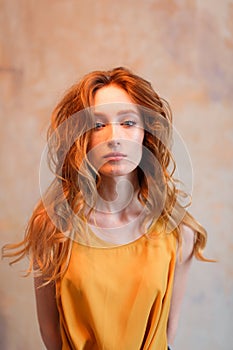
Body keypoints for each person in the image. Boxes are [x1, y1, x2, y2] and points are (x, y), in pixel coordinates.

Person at [3, 67, 211, 350]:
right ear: (82, 139)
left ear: (145, 134)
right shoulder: (53, 225)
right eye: (98, 125)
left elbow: (168, 330)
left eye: (128, 122)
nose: (114, 137)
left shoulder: (180, 232)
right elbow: (49, 330)